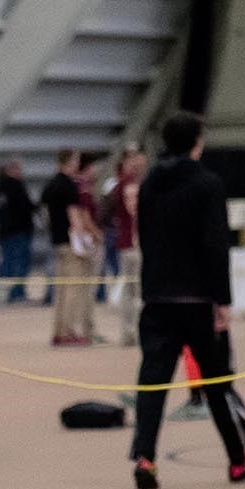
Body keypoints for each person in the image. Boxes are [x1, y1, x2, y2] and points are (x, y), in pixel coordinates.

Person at [128, 111, 245, 489]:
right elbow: (215, 245)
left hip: (158, 297)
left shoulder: (149, 184)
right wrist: (222, 300)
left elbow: (144, 237)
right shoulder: (207, 184)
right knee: (217, 381)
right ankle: (239, 458)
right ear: (196, 142)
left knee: (153, 382)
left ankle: (145, 457)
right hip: (198, 300)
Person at [42, 150, 98, 345]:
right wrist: (83, 241)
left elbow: (45, 214)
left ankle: (58, 330)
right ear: (70, 162)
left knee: (61, 290)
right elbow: (74, 217)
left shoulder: (50, 185)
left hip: (56, 242)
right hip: (70, 243)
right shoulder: (68, 186)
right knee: (74, 289)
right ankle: (68, 331)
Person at [107, 146, 146, 345]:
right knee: (136, 291)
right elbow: (133, 211)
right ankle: (133, 331)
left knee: (133, 291)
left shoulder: (123, 184)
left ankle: (131, 331)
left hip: (128, 243)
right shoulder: (128, 185)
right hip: (132, 243)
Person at [0, 159, 35, 302]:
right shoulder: (15, 185)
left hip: (5, 231)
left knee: (8, 262)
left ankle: (7, 292)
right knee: (19, 263)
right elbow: (25, 206)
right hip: (18, 231)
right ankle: (17, 292)